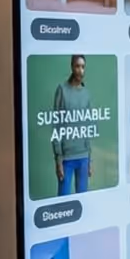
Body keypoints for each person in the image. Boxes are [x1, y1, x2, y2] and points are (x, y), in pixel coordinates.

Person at [52, 54, 93, 196]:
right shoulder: (61, 90)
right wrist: (58, 160)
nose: (80, 70)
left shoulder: (86, 93)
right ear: (72, 67)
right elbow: (56, 126)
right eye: (77, 66)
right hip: (66, 158)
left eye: (83, 67)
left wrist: (89, 159)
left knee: (83, 201)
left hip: (83, 157)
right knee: (63, 203)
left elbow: (87, 126)